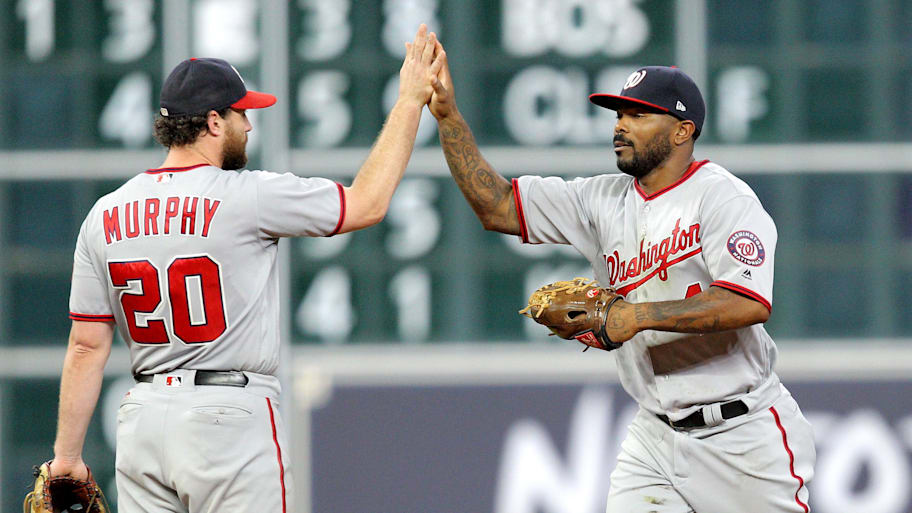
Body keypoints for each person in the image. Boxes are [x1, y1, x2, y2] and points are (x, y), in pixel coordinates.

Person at [50, 24, 442, 513]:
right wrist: (408, 102)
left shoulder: (105, 213)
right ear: (214, 122)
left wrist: (66, 457)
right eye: (242, 114)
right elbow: (366, 204)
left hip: (142, 422)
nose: (249, 126)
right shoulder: (247, 195)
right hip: (229, 416)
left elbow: (87, 345)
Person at [428, 42, 815, 513]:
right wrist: (448, 117)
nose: (620, 125)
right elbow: (498, 206)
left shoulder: (723, 198)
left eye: (638, 114)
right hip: (654, 434)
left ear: (682, 131)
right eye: (618, 113)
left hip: (742, 435)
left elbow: (746, 302)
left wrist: (636, 316)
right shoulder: (600, 200)